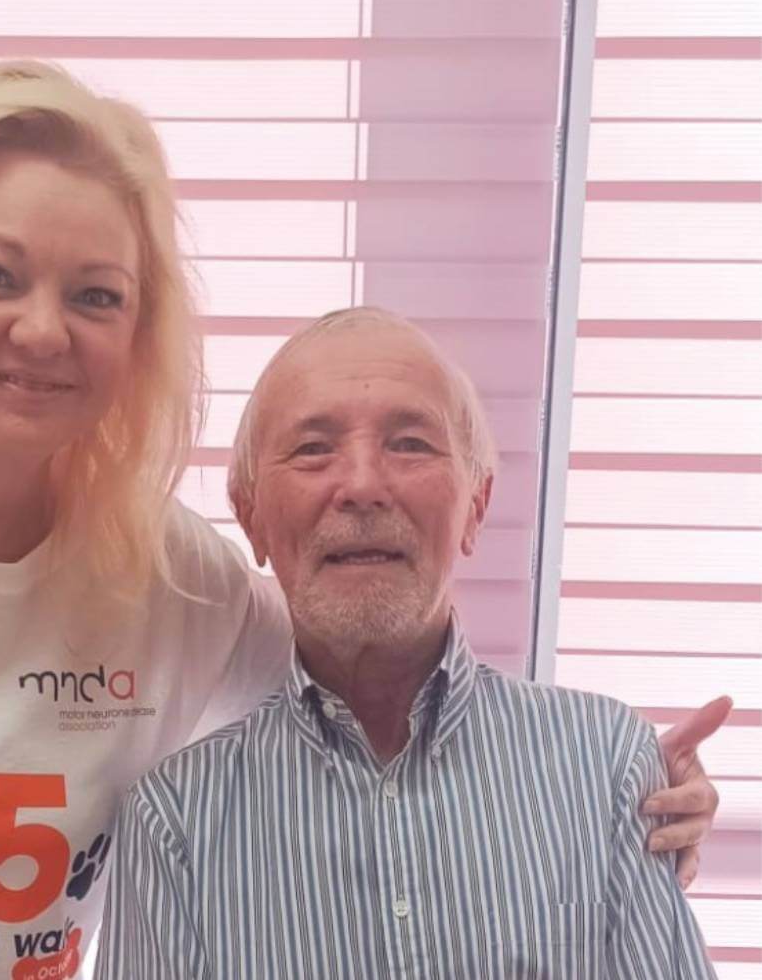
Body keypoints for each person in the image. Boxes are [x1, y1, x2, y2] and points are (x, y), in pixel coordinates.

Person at [0, 65, 721, 979]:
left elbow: (373, 646)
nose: (44, 331)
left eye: (96, 295)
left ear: (138, 333)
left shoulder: (162, 575)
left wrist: (617, 789)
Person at [97, 308, 722, 980]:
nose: (363, 486)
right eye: (312, 449)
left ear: (476, 506)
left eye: (410, 444)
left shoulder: (605, 767)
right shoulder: (175, 820)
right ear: (250, 516)